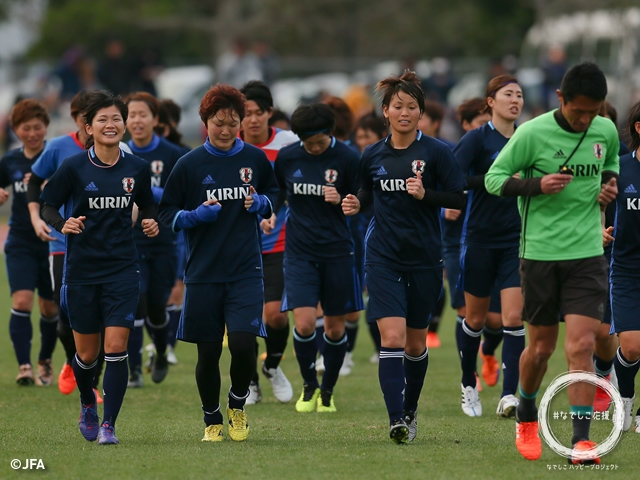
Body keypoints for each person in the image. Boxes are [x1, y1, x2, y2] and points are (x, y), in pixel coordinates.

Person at [485, 62, 620, 464]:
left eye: (593, 111)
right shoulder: (532, 133)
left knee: (580, 345)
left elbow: (610, 165)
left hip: (587, 254)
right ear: (561, 99)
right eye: (579, 110)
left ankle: (581, 441)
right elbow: (494, 180)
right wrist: (536, 185)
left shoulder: (606, 129)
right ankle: (526, 409)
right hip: (540, 255)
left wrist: (608, 186)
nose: (585, 119)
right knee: (540, 349)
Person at [342, 71, 465, 443]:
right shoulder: (372, 154)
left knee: (415, 344)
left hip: (426, 259)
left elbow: (458, 198)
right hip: (382, 256)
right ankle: (395, 419)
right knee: (391, 339)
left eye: (413, 107)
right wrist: (355, 202)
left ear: (421, 113)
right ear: (385, 111)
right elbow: (366, 190)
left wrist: (426, 195)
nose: (406, 112)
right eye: (398, 106)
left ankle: (410, 412)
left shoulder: (438, 153)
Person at [158, 84, 279, 442]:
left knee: (243, 344)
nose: (226, 130)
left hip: (246, 270)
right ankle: (211, 418)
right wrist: (194, 216)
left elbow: (273, 195)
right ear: (205, 122)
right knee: (208, 352)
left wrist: (261, 206)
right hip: (203, 273)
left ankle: (237, 405)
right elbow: (167, 214)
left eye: (233, 122)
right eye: (218, 122)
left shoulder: (255, 159)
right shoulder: (189, 164)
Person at [40, 90, 159, 445]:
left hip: (123, 269)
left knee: (116, 347)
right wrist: (63, 224)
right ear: (88, 127)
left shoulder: (136, 168)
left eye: (116, 119)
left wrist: (151, 222)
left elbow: (148, 206)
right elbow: (48, 205)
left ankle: (109, 425)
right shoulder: (74, 167)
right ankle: (87, 401)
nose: (111, 125)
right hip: (81, 272)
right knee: (87, 355)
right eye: (102, 120)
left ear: (124, 125)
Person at [28, 91, 131, 400]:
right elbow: (36, 183)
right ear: (83, 122)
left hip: (111, 254)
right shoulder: (60, 149)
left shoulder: (121, 152)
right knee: (66, 317)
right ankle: (75, 361)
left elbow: (134, 197)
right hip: (64, 246)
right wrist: (38, 219)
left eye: (113, 117)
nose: (107, 123)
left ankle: (92, 382)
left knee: (105, 322)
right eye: (95, 117)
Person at [275, 103, 362, 413]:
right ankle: (309, 384)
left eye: (318, 142)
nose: (312, 148)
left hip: (338, 251)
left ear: (330, 133)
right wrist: (270, 212)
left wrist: (346, 200)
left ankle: (328, 391)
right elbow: (277, 192)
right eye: (306, 142)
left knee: (335, 329)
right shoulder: (288, 157)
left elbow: (364, 195)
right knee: (305, 323)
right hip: (299, 252)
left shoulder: (349, 158)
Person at [454, 75, 525, 418]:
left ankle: (510, 394)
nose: (515, 100)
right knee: (476, 318)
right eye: (508, 94)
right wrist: (493, 180)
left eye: (520, 95)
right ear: (490, 102)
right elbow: (453, 178)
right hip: (479, 239)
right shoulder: (476, 139)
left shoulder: (529, 137)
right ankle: (469, 383)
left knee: (513, 317)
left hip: (517, 240)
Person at [239, 80, 298, 405]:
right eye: (244, 113)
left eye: (257, 113)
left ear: (269, 114)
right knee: (243, 319)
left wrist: (274, 209)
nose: (251, 120)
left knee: (275, 315)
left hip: (278, 243)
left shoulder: (288, 143)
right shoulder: (228, 145)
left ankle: (272, 366)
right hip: (238, 246)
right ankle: (249, 382)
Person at [124, 92, 184, 387]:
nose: (136, 120)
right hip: (130, 242)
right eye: (131, 115)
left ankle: (161, 351)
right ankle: (133, 369)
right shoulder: (119, 154)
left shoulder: (173, 155)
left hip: (163, 243)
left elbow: (180, 197)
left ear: (155, 119)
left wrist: (150, 195)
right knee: (135, 302)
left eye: (142, 114)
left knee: (158, 307)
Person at [0, 99, 58, 386]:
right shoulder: (9, 161)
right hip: (21, 240)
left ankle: (44, 361)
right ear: (16, 130)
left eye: (37, 127)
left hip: (52, 241)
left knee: (50, 309)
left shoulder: (56, 156)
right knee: (22, 301)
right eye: (26, 128)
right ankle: (24, 366)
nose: (32, 133)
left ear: (45, 127)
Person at [610, 100, 640, 433]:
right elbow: (595, 205)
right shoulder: (620, 169)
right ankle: (626, 395)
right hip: (627, 269)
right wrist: (599, 230)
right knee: (631, 346)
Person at [353, 113, 387, 362]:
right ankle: (379, 347)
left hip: (386, 236)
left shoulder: (387, 159)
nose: (362, 141)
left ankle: (384, 346)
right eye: (359, 136)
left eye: (368, 136)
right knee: (370, 296)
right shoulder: (358, 161)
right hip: (360, 237)